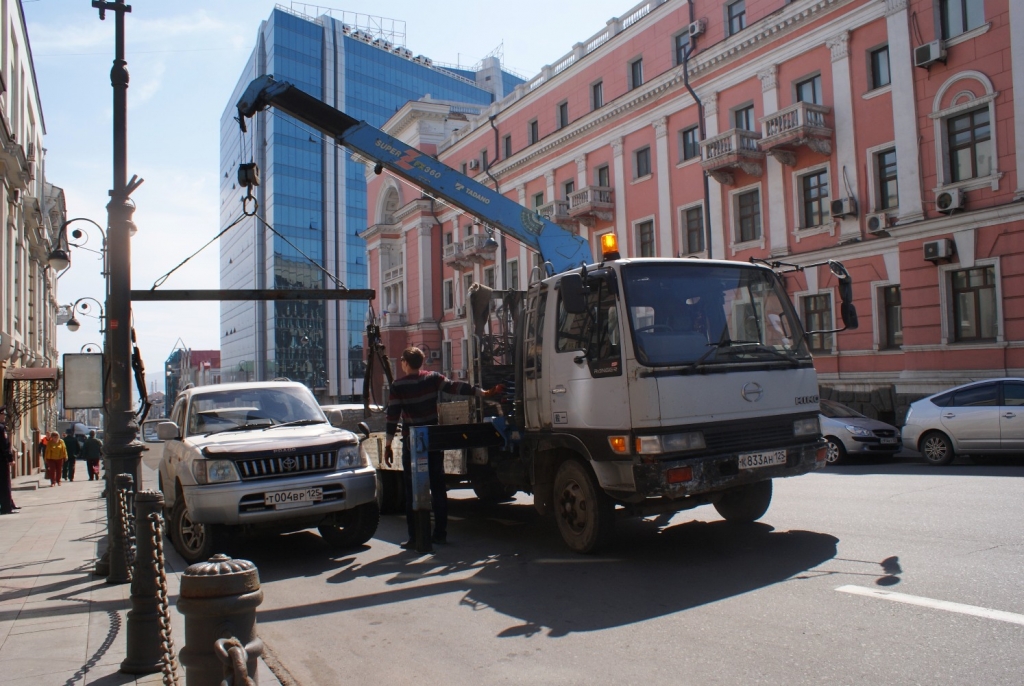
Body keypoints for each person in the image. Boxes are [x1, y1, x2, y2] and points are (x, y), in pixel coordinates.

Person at [384, 347, 499, 548]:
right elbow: (456, 387)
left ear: (404, 363)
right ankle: (440, 534)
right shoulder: (432, 378)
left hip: (412, 443)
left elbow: (392, 416)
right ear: (421, 362)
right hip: (433, 440)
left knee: (413, 491)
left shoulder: (398, 386)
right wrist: (482, 392)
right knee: (438, 488)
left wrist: (387, 445)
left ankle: (415, 537)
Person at [0, 407, 18, 514]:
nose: (4, 417)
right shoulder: (1, 428)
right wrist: (10, 458)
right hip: (2, 460)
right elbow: (5, 445)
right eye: (3, 414)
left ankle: (9, 504)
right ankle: (6, 507)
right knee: (4, 483)